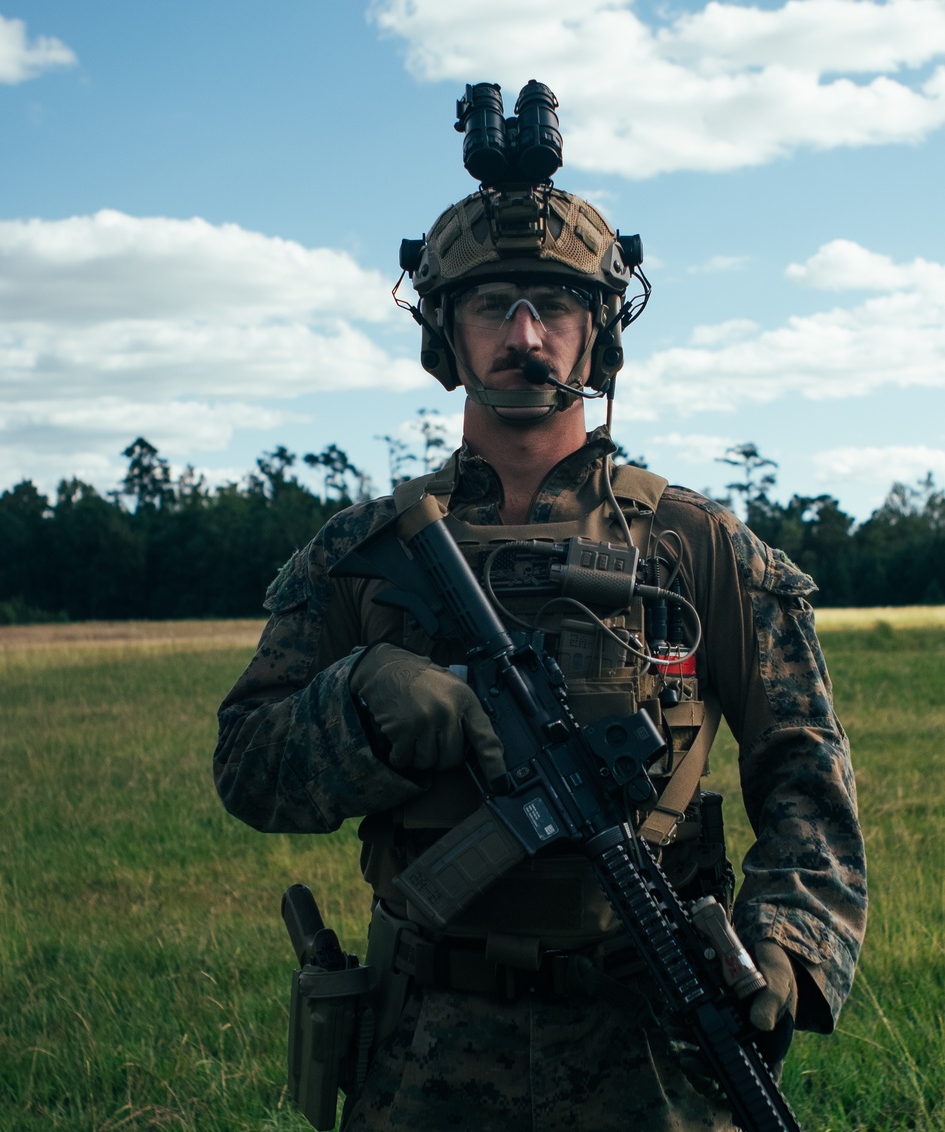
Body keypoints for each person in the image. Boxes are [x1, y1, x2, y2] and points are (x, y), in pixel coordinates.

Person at [213, 82, 866, 1131]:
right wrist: (355, 707)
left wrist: (782, 953)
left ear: (597, 330)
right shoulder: (364, 555)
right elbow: (244, 767)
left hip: (646, 1039)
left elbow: (806, 775)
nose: (526, 332)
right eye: (491, 303)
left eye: (555, 304)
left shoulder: (696, 547)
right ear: (446, 332)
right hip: (422, 1047)